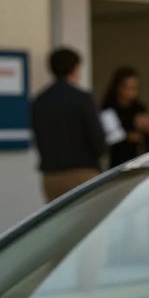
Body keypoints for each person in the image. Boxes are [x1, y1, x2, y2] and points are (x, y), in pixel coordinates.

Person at [30, 47, 105, 201]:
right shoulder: (82, 98)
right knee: (88, 221)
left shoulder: (39, 100)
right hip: (82, 172)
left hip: (51, 176)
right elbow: (97, 139)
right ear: (75, 68)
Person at [101, 66, 149, 167]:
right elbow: (110, 137)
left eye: (134, 88)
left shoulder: (139, 108)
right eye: (127, 87)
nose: (131, 92)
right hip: (118, 163)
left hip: (140, 162)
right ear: (118, 87)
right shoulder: (109, 108)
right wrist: (128, 136)